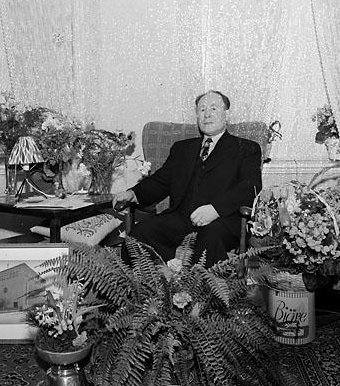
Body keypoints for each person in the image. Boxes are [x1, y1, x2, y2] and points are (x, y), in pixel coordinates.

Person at [112, 90, 262, 267]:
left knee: (211, 238)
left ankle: (200, 286)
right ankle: (153, 283)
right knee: (141, 233)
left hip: (221, 221)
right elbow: (161, 181)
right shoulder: (182, 149)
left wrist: (215, 210)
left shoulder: (246, 148)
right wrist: (133, 194)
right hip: (181, 218)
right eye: (202, 109)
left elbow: (249, 188)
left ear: (226, 115)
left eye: (214, 108)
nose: (207, 114)